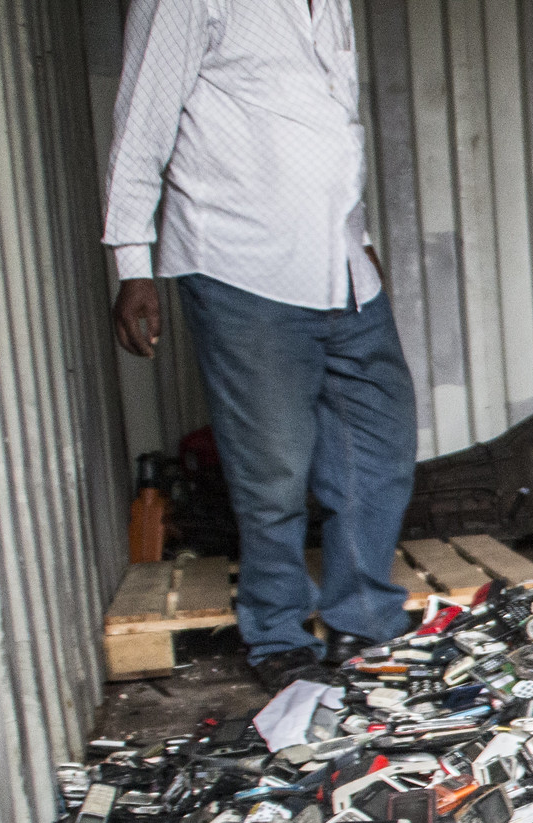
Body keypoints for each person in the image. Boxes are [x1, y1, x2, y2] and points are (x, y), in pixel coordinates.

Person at [104, 0, 417, 691]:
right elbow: (143, 118)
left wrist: (356, 237)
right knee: (271, 468)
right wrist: (134, 263)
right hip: (241, 261)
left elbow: (333, 119)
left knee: (379, 444)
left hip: (340, 266)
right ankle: (276, 631)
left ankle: (365, 617)